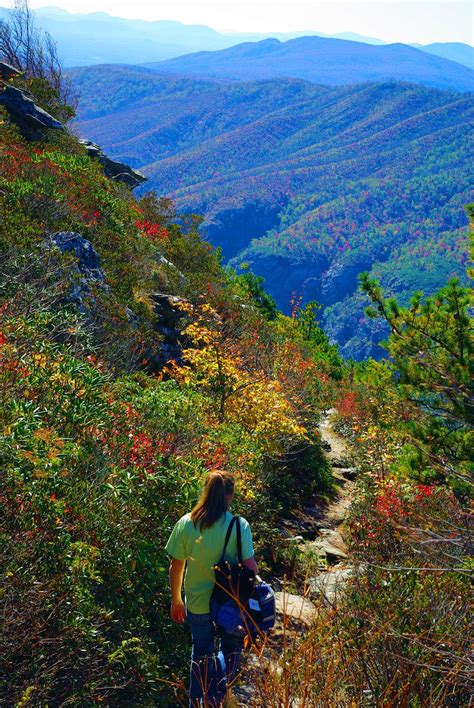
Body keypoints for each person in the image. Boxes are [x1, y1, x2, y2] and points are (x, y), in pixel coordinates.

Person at [165, 470, 258, 707]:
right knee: (229, 651)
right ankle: (216, 699)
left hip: (197, 604)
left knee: (200, 655)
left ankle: (197, 703)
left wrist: (176, 600)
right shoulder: (239, 526)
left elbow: (177, 566)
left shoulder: (187, 523)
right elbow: (251, 568)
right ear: (230, 496)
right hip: (229, 604)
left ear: (206, 492)